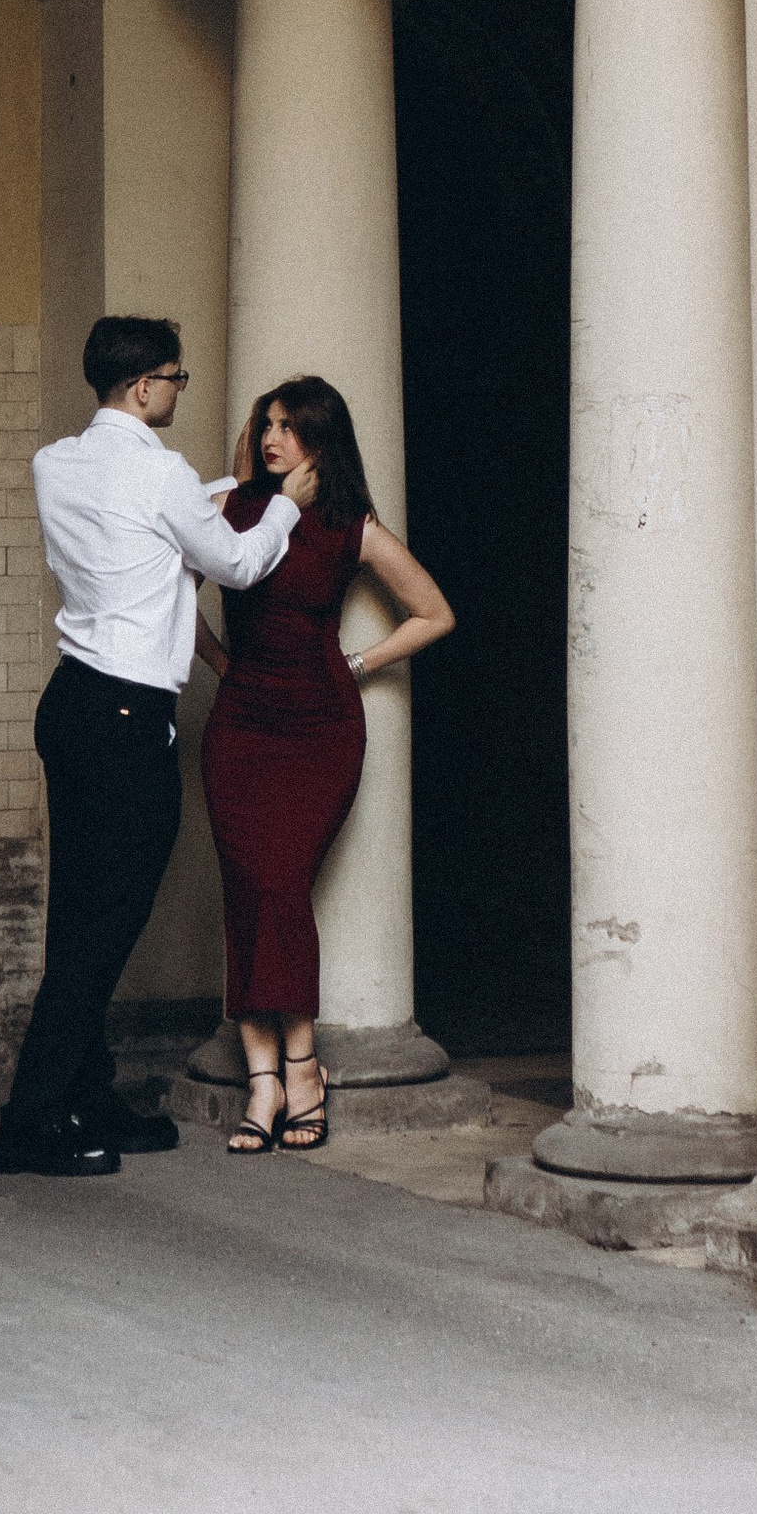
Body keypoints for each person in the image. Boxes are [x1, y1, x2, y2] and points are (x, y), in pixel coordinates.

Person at [0, 313, 317, 1179]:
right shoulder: (162, 476)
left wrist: (226, 483)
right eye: (175, 378)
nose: (179, 389)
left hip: (71, 706)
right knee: (105, 927)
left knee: (79, 915)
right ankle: (29, 1121)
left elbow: (150, 521)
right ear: (144, 387)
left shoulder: (55, 463)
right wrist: (284, 503)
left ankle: (88, 1095)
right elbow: (239, 564)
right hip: (129, 718)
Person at [198, 375, 454, 1156]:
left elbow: (435, 613)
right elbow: (164, 595)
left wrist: (357, 663)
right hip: (240, 731)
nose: (271, 438)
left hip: (319, 731)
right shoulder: (230, 513)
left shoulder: (352, 528)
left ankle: (295, 1069)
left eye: (290, 427)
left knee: (279, 883)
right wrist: (220, 664)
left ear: (321, 441)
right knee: (250, 890)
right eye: (265, 424)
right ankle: (268, 1077)